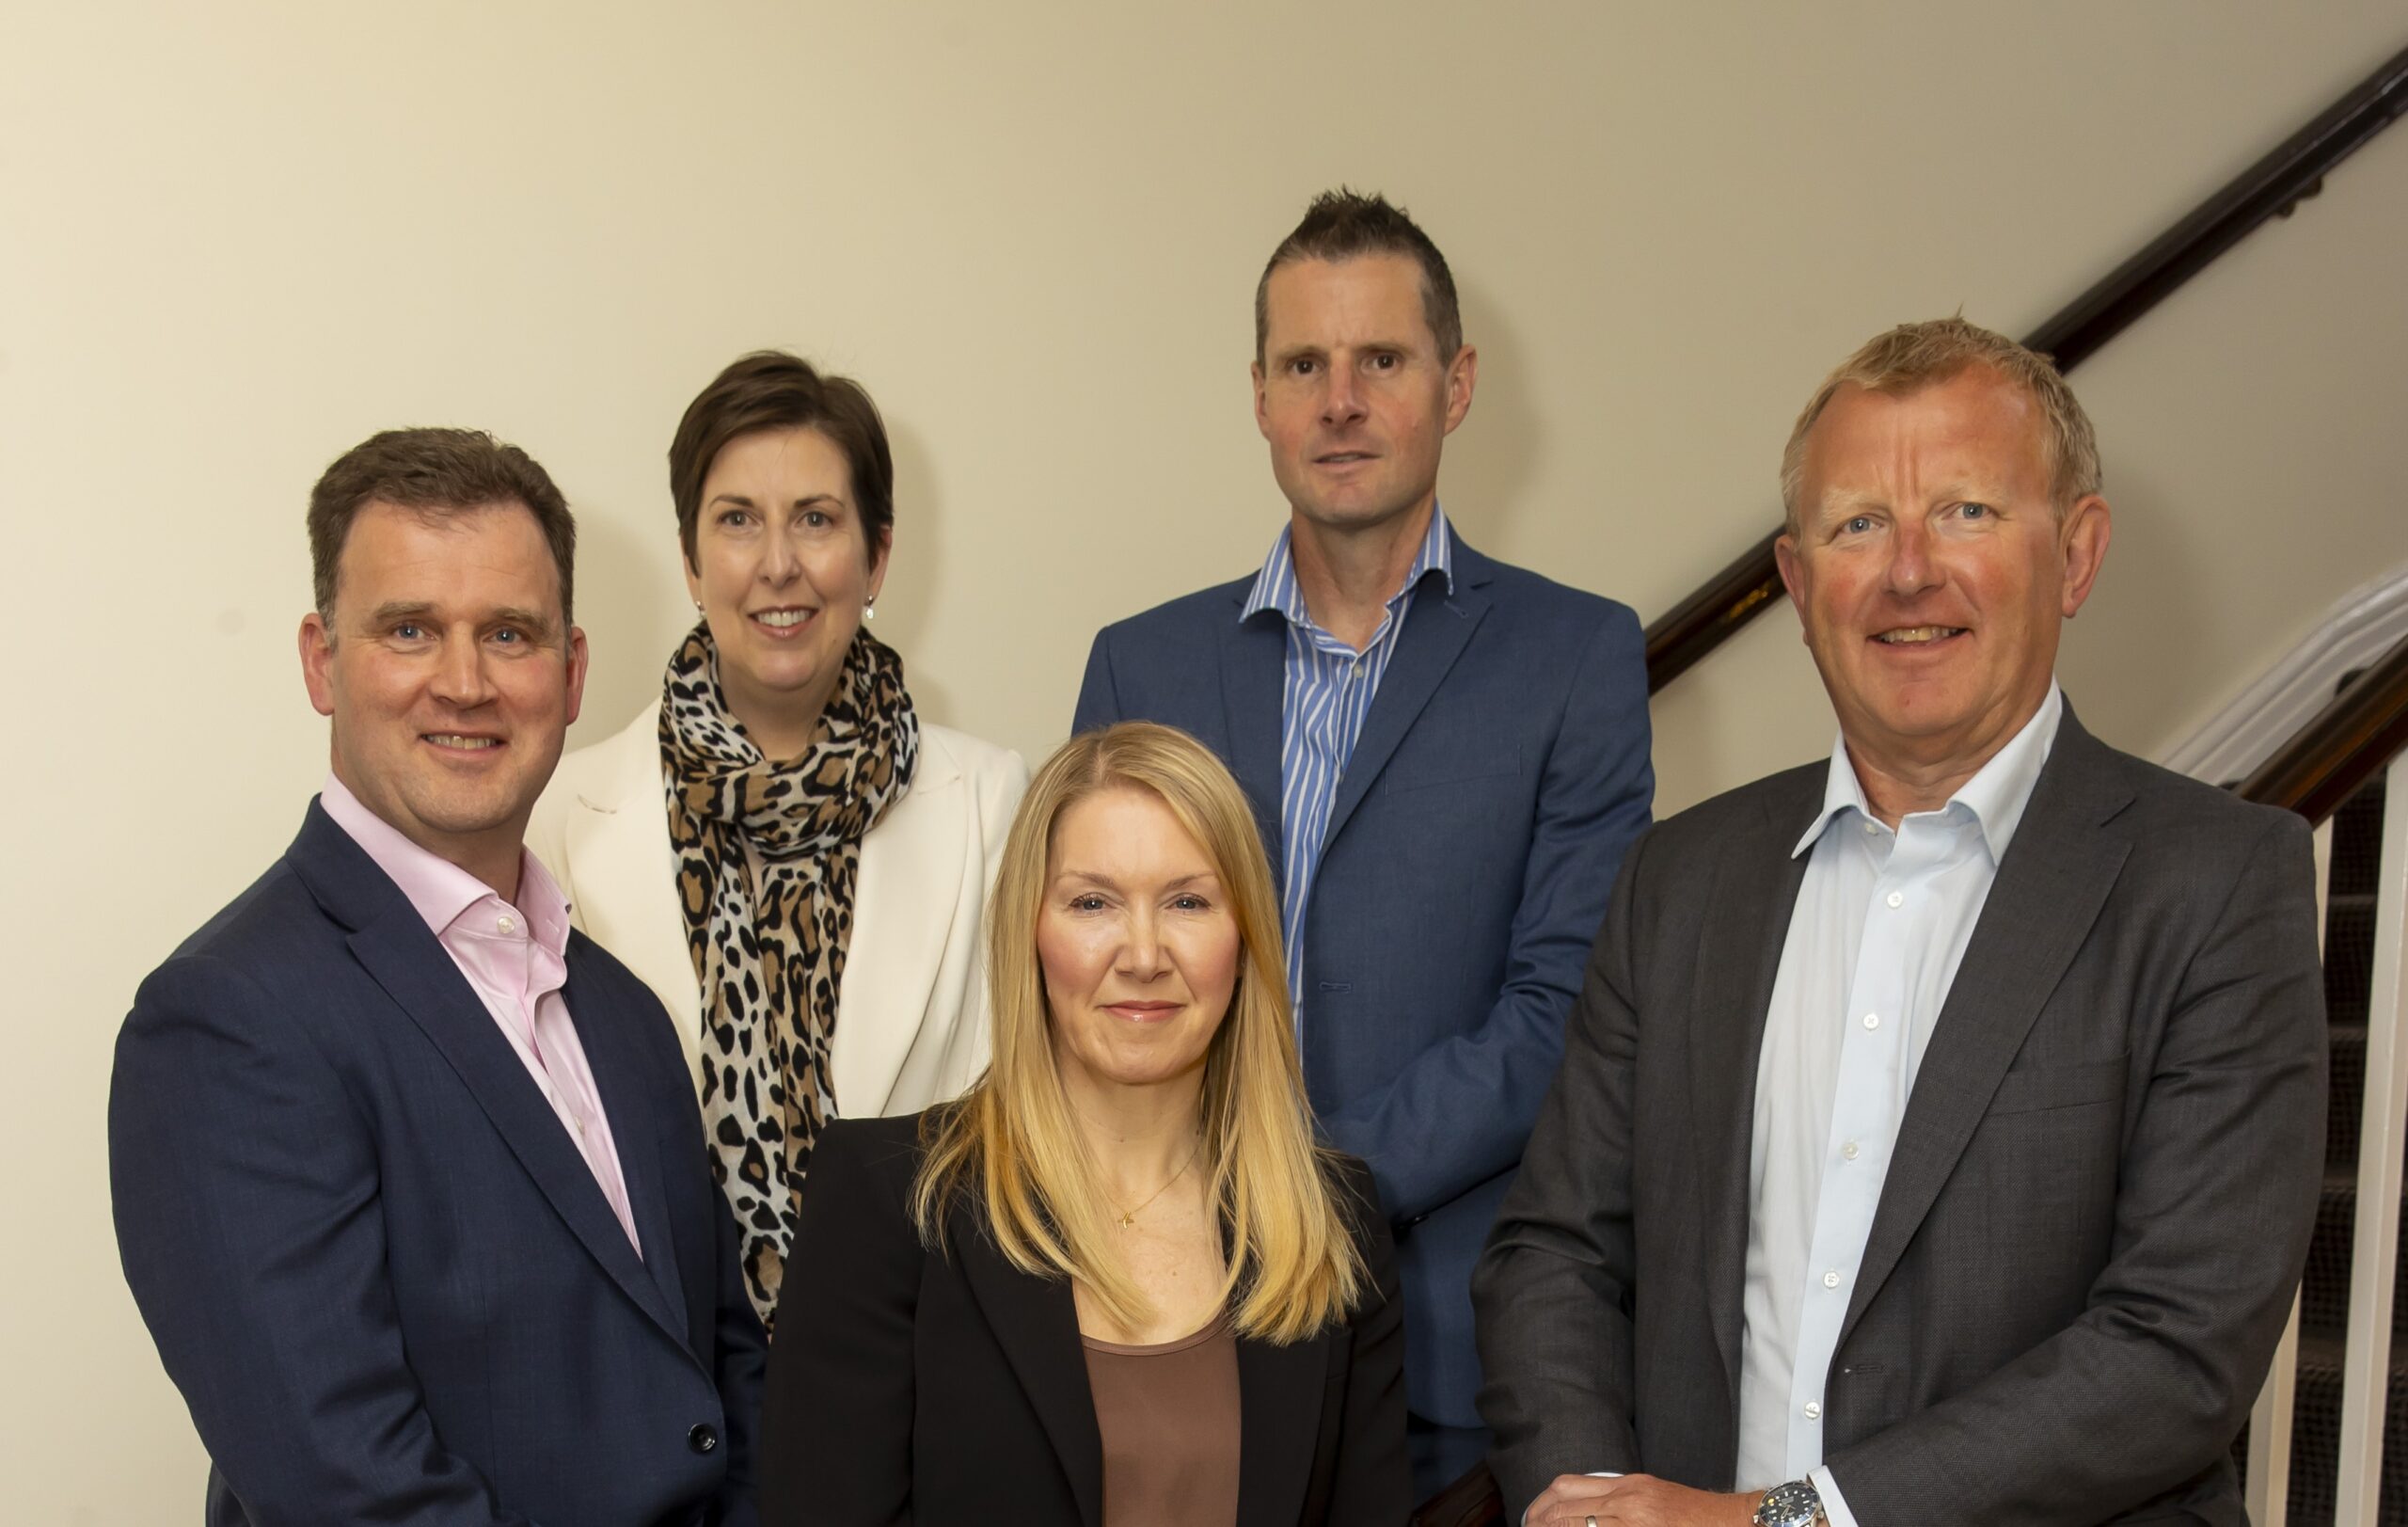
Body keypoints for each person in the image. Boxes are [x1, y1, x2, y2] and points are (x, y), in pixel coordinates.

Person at [1474, 318, 2327, 1526]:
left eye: (1967, 512)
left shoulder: (2216, 884)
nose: (1908, 571)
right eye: (1858, 523)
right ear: (1795, 579)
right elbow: (1552, 1256)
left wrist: (1786, 1524)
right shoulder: (1681, 881)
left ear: (2075, 557)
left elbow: (2174, 1350)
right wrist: (1596, 1505)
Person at [1072, 188, 1654, 1494]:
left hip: (1446, 1353)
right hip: (1162, 1333)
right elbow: (1079, 979)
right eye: (1304, 365)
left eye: (1380, 360)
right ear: (1262, 396)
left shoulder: (1575, 658)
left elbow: (1565, 1004)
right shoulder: (1140, 662)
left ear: (1454, 385)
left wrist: (1302, 1190)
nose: (1341, 400)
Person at [110, 428, 766, 1526]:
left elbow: (726, 1384)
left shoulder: (624, 1012)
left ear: (570, 672)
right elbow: (348, 1490)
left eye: (509, 634)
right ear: (323, 662)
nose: (465, 683)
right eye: (410, 629)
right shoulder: (226, 1021)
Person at [758, 721, 1410, 1525]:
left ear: (1243, 942)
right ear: (1030, 932)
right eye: (1093, 901)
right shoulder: (888, 1199)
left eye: (1188, 901)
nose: (1142, 953)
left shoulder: (1334, 1219)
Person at [529, 351, 1028, 1333]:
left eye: (815, 518)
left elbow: (1011, 1132)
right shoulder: (561, 816)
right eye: (737, 520)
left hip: (915, 1372)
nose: (777, 565)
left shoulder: (991, 801)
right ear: (689, 558)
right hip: (667, 1387)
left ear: (877, 556)